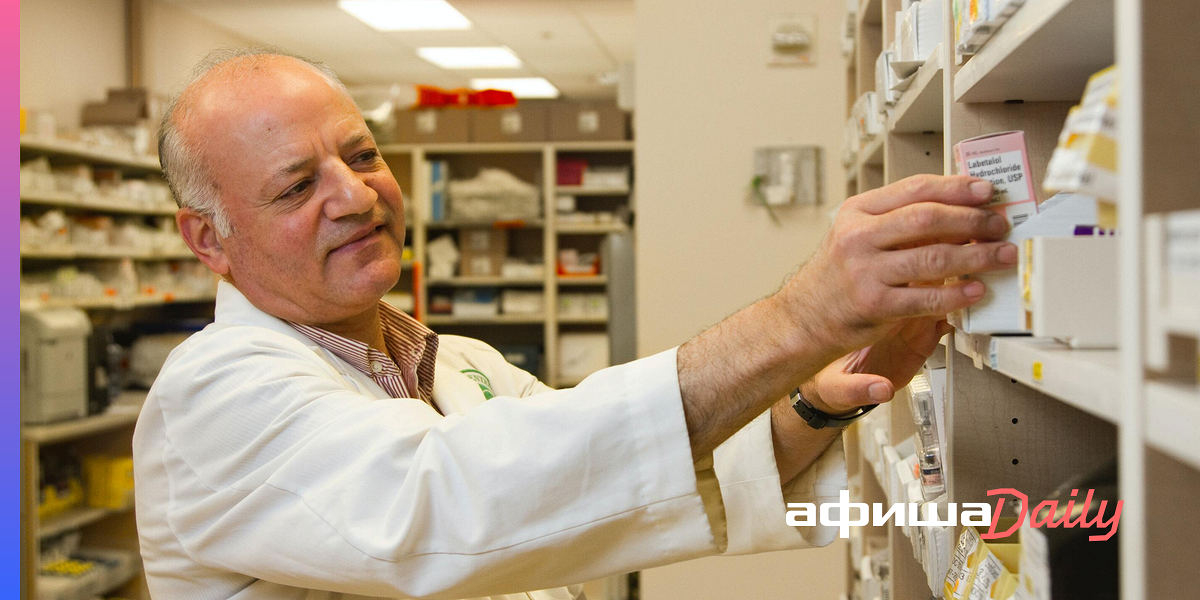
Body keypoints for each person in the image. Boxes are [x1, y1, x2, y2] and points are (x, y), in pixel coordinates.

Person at [132, 48, 1015, 600]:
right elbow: (445, 508)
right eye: (297, 186)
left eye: (362, 155)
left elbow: (609, 485)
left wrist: (814, 404)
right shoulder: (214, 397)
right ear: (209, 239)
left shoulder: (456, 362)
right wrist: (798, 319)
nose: (357, 196)